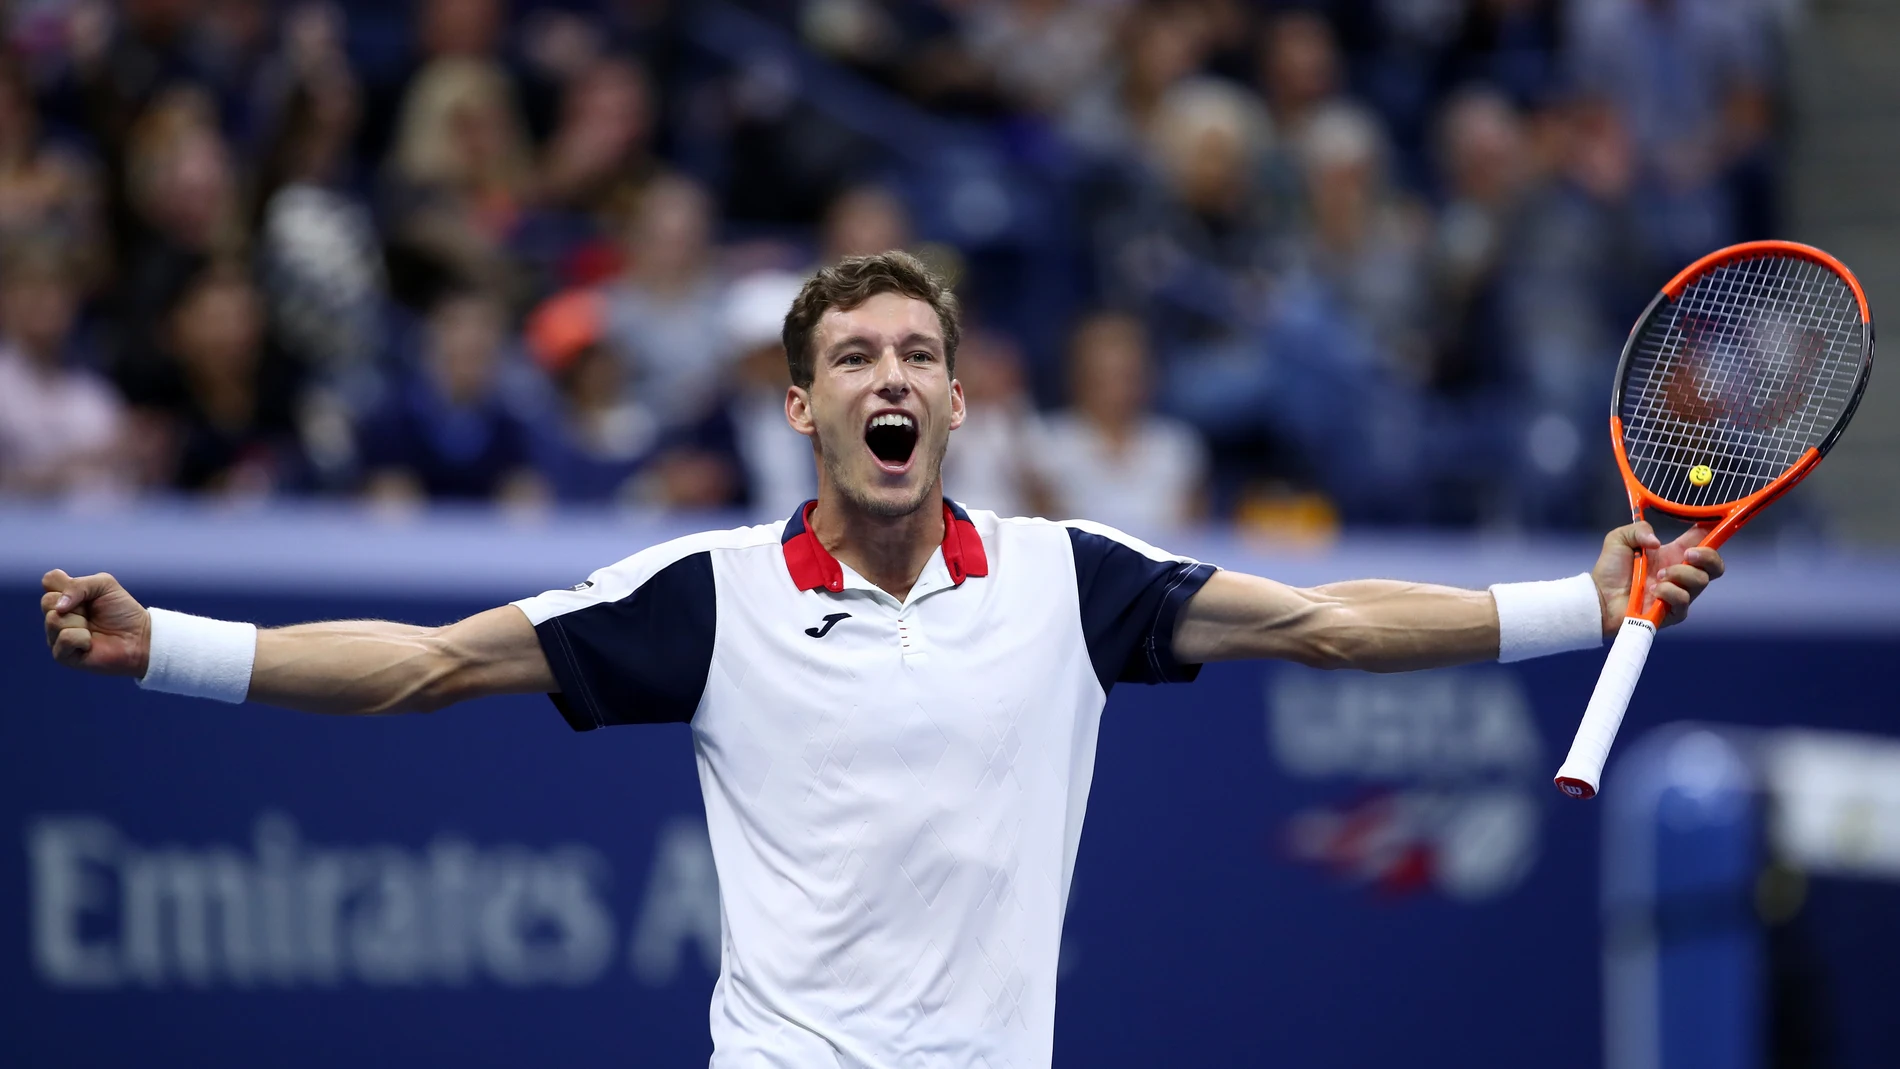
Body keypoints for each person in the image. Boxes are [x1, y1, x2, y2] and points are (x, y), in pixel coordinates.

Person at [37, 252, 1724, 1069]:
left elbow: (1340, 624)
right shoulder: (701, 596)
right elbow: (414, 665)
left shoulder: (1078, 582)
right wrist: (168, 645)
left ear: (960, 404)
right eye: (854, 354)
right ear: (806, 407)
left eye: (920, 350)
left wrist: (1587, 604)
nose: (889, 373)